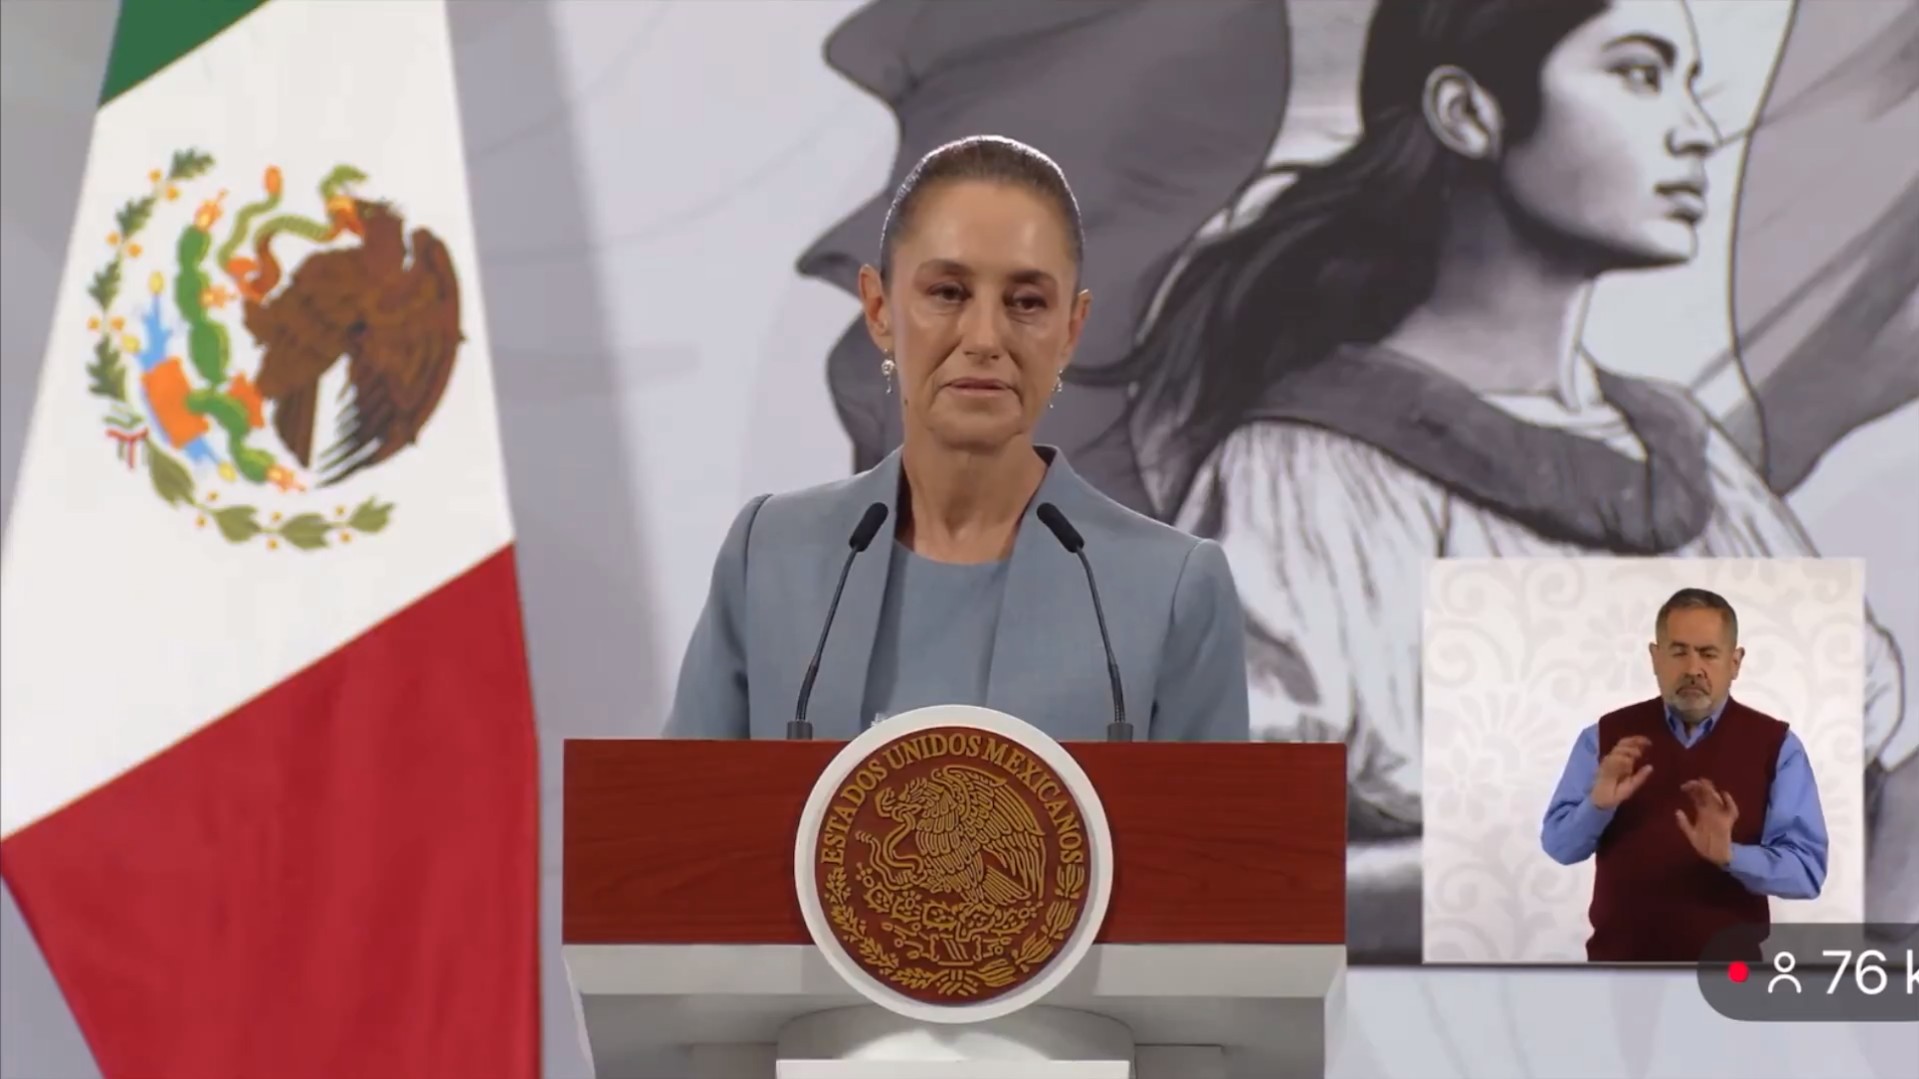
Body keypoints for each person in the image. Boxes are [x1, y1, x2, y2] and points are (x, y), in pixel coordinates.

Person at [1094, 0, 1908, 961]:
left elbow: (1852, 785)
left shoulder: (1693, 460)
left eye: (1690, 84)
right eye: (1640, 74)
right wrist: (1576, 871)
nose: (1695, 128)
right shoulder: (1308, 473)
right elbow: (1214, 875)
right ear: (1467, 113)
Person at [665, 135, 1251, 742]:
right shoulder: (771, 558)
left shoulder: (1171, 589)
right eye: (948, 293)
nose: (985, 336)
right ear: (879, 309)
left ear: (1071, 330)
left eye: (1026, 302)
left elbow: (1219, 836)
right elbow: (677, 820)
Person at [1540, 588, 1829, 963]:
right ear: (1655, 658)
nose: (1693, 668)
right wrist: (1596, 806)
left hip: (1731, 980)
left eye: (1708, 653)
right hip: (1616, 972)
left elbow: (1807, 873)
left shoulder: (1778, 746)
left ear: (1735, 662)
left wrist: (1730, 856)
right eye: (1678, 652)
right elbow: (1559, 847)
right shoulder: (1604, 739)